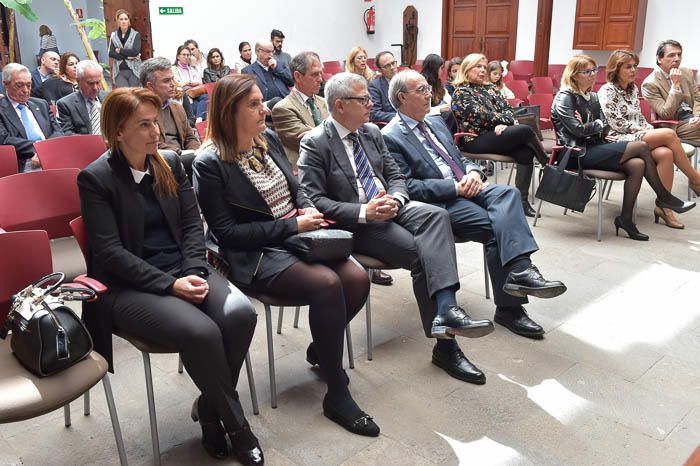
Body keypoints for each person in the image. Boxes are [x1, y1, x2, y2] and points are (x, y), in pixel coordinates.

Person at [77, 87, 262, 465]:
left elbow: (194, 224)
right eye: (143, 125)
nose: (155, 132)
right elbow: (110, 254)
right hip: (130, 286)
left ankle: (210, 407)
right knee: (203, 332)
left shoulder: (170, 163)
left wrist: (194, 270)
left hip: (184, 268)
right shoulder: (96, 179)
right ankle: (237, 427)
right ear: (117, 132)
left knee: (241, 314)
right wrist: (170, 285)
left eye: (155, 122)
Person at [193, 74, 378, 438]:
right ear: (229, 112)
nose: (265, 109)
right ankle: (336, 391)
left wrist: (309, 215)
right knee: (327, 284)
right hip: (254, 252)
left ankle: (323, 349)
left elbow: (300, 192)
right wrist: (293, 227)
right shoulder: (209, 162)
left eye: (262, 101)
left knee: (356, 278)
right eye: (254, 104)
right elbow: (228, 234)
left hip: (299, 236)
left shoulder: (270, 140)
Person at [299, 72, 496, 385]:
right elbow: (315, 201)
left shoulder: (371, 133)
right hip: (360, 223)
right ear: (340, 105)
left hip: (392, 207)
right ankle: (446, 347)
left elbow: (396, 176)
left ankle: (446, 310)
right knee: (423, 254)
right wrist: (366, 211)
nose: (371, 103)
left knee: (435, 216)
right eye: (363, 99)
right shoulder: (316, 142)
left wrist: (396, 197)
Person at [382, 69, 566, 340]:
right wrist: (455, 187)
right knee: (496, 229)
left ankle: (521, 270)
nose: (429, 94)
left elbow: (460, 157)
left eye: (427, 88)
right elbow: (409, 187)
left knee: (509, 195)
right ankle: (510, 307)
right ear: (402, 97)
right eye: (421, 90)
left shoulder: (434, 122)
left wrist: (473, 173)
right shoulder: (391, 136)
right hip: (444, 200)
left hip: (468, 186)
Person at [552, 54, 694, 241]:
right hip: (576, 153)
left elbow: (602, 128)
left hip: (595, 146)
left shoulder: (592, 97)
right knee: (642, 148)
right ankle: (663, 196)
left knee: (637, 165)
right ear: (574, 75)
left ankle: (625, 219)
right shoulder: (565, 97)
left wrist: (594, 126)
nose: (592, 74)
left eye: (594, 70)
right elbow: (579, 131)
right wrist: (595, 125)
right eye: (586, 71)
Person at [599, 49, 700, 229]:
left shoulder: (632, 88)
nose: (633, 70)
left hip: (637, 134)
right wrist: (646, 131)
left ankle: (664, 209)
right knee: (669, 134)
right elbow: (617, 124)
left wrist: (646, 129)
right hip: (619, 139)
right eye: (628, 67)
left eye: (635, 66)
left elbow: (638, 117)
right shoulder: (607, 90)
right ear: (616, 69)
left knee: (665, 153)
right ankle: (696, 179)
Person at [452, 53, 549, 217]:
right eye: (478, 67)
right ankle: (546, 164)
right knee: (524, 130)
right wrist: (499, 122)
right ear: (467, 69)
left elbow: (510, 113)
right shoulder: (461, 93)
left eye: (484, 67)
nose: (483, 70)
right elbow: (481, 117)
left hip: (497, 135)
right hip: (474, 139)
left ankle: (521, 203)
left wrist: (504, 123)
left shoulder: (491, 88)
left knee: (525, 151)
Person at [141, 57, 200, 179]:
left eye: (172, 78)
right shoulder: (140, 111)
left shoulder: (177, 107)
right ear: (150, 86)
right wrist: (180, 153)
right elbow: (152, 144)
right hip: (157, 163)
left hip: (185, 159)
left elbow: (190, 137)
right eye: (166, 81)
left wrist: (195, 152)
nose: (173, 84)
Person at [0, 63, 62, 172]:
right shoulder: (1, 109)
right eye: (19, 85)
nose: (25, 90)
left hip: (52, 153)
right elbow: (5, 140)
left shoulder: (41, 104)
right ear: (5, 84)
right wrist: (40, 149)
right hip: (25, 159)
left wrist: (47, 149)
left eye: (29, 85)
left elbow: (57, 130)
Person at [271, 51, 328, 167]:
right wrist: (330, 131)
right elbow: (312, 143)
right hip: (306, 171)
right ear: (297, 76)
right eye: (314, 74)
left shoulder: (325, 102)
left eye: (321, 74)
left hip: (331, 166)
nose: (320, 79)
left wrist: (316, 132)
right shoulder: (282, 109)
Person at [642, 40, 700, 146]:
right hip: (675, 124)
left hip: (693, 118)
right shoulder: (649, 84)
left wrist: (698, 116)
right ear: (660, 59)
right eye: (672, 55)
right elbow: (666, 114)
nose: (677, 59)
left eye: (679, 54)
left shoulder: (686, 72)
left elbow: (697, 98)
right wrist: (675, 86)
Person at [56, 60, 107, 136]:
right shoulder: (66, 104)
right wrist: (94, 142)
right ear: (78, 81)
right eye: (90, 83)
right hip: (85, 145)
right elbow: (68, 133)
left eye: (98, 82)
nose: (95, 88)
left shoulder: (109, 98)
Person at [241, 41, 293, 105]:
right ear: (258, 52)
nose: (271, 55)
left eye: (272, 51)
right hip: (264, 108)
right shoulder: (247, 71)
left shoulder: (280, 65)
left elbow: (291, 82)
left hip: (285, 104)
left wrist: (276, 68)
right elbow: (248, 95)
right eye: (268, 51)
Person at [172, 45, 208, 120]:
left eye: (188, 55)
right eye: (184, 55)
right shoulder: (174, 69)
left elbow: (199, 82)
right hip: (184, 94)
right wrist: (190, 82)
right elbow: (178, 84)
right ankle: (199, 120)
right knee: (197, 106)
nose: (186, 57)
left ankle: (199, 119)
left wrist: (188, 83)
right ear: (178, 56)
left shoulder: (191, 68)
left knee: (206, 97)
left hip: (195, 92)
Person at [108, 9, 142, 88]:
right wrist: (128, 57)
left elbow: (135, 52)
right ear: (118, 21)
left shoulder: (135, 34)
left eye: (126, 19)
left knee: (134, 94)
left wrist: (120, 50)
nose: (123, 21)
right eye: (121, 19)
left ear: (129, 21)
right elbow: (111, 53)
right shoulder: (113, 35)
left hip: (134, 70)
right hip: (119, 71)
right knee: (124, 95)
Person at [421, 54, 454, 121]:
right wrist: (439, 109)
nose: (443, 71)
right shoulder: (421, 84)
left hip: (437, 117)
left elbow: (448, 100)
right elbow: (421, 111)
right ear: (434, 68)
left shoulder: (438, 82)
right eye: (441, 68)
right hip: (428, 118)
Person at [368, 51, 398, 123]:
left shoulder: (406, 80)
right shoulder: (375, 86)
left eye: (393, 63)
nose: (392, 67)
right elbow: (374, 114)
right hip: (392, 124)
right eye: (387, 66)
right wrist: (400, 117)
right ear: (380, 70)